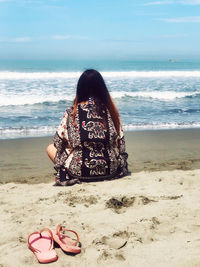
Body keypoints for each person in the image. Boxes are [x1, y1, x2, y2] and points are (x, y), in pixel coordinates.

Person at [46, 69, 128, 186]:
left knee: (50, 148)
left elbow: (58, 141)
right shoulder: (111, 111)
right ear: (102, 89)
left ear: (80, 89)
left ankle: (67, 171)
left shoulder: (72, 112)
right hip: (110, 170)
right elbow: (121, 143)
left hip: (79, 172)